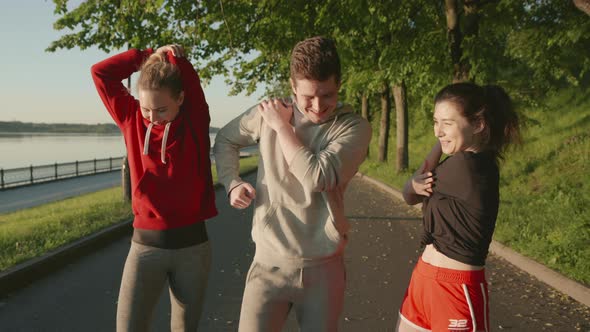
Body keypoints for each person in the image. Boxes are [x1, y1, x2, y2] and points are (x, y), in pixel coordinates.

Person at [213, 36, 372, 331]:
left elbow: (317, 177)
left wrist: (281, 127)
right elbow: (224, 140)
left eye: (328, 95)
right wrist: (232, 182)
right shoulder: (268, 113)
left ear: (339, 84)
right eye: (308, 96)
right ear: (292, 86)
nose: (318, 106)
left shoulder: (353, 127)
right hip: (268, 265)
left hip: (323, 269)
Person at [91, 44, 218, 331]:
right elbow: (100, 73)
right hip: (145, 249)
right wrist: (144, 57)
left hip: (192, 250)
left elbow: (192, 83)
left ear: (181, 98)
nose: (152, 117)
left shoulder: (195, 123)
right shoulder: (130, 119)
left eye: (161, 109)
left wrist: (175, 58)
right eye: (146, 108)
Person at [397, 82, 521, 332]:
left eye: (448, 123)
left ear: (478, 124)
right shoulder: (464, 162)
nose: (438, 131)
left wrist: (414, 181)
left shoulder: (467, 168)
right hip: (425, 279)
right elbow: (414, 188)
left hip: (455, 289)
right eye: (436, 122)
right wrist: (447, 136)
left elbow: (410, 193)